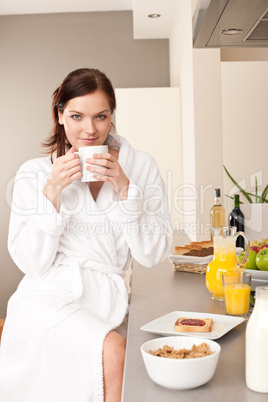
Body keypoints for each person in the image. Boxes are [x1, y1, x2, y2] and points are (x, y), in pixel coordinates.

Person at [0, 68, 172, 402]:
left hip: (105, 301)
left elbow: (152, 254)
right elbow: (32, 265)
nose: (89, 130)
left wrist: (125, 189)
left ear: (112, 118)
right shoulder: (34, 173)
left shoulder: (140, 167)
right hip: (46, 299)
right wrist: (52, 191)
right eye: (77, 116)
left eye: (100, 117)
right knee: (115, 353)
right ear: (60, 114)